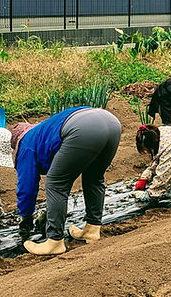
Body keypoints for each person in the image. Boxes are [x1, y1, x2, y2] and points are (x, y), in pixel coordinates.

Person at [11, 106, 122, 256]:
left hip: (84, 128)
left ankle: (54, 241)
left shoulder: (26, 145)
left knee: (55, 183)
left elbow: (27, 188)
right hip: (111, 122)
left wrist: (26, 216)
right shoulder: (43, 131)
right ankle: (92, 230)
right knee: (94, 177)